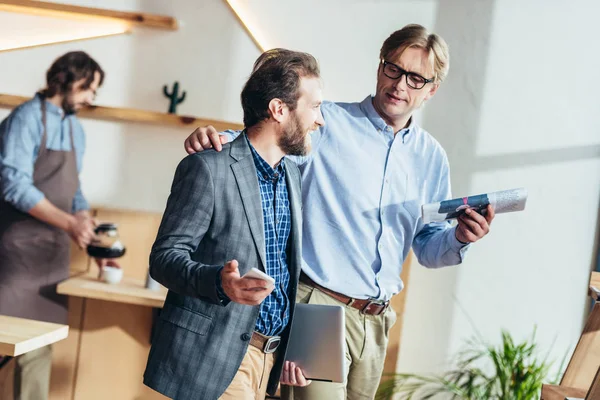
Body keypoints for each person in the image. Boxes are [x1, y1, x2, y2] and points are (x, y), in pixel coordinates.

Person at [183, 24, 496, 400]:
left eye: (415, 79)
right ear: (381, 68)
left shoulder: (431, 158)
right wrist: (215, 138)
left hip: (377, 322)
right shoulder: (325, 123)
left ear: (431, 90)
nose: (399, 85)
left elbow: (427, 247)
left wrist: (460, 238)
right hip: (318, 306)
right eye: (393, 69)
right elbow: (260, 141)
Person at [143, 48, 325, 400]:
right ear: (279, 109)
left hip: (269, 362)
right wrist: (218, 283)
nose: (320, 120)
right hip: (216, 359)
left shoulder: (291, 173)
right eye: (314, 107)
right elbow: (164, 258)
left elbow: (284, 275)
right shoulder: (208, 167)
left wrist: (289, 348)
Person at [0, 51, 115, 400]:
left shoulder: (75, 129)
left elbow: (74, 190)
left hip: (51, 259)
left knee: (38, 351)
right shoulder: (26, 118)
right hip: (14, 254)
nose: (90, 99)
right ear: (67, 80)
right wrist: (69, 223)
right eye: (88, 89)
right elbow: (12, 184)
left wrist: (92, 237)